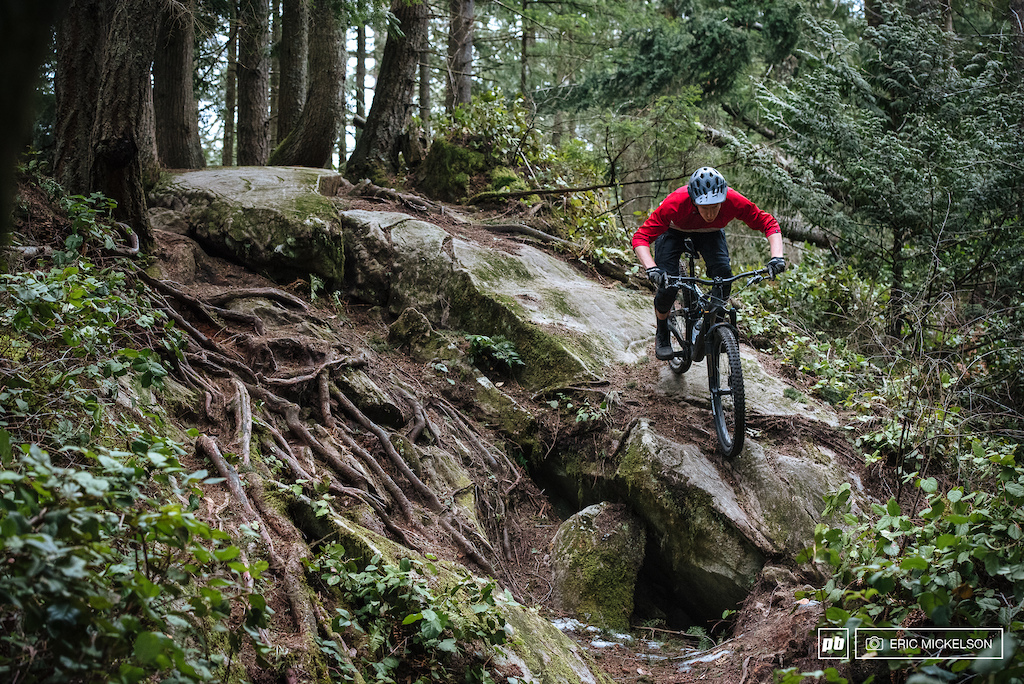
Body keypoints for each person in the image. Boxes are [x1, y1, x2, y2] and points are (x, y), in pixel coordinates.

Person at [632, 166, 785, 361]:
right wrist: (651, 268)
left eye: (716, 206)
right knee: (668, 286)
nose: (711, 213)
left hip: (710, 233)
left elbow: (768, 223)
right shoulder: (676, 203)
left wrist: (777, 257)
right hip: (673, 231)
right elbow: (641, 237)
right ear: (695, 202)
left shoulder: (732, 200)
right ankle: (662, 331)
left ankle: (712, 326)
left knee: (724, 277)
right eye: (705, 207)